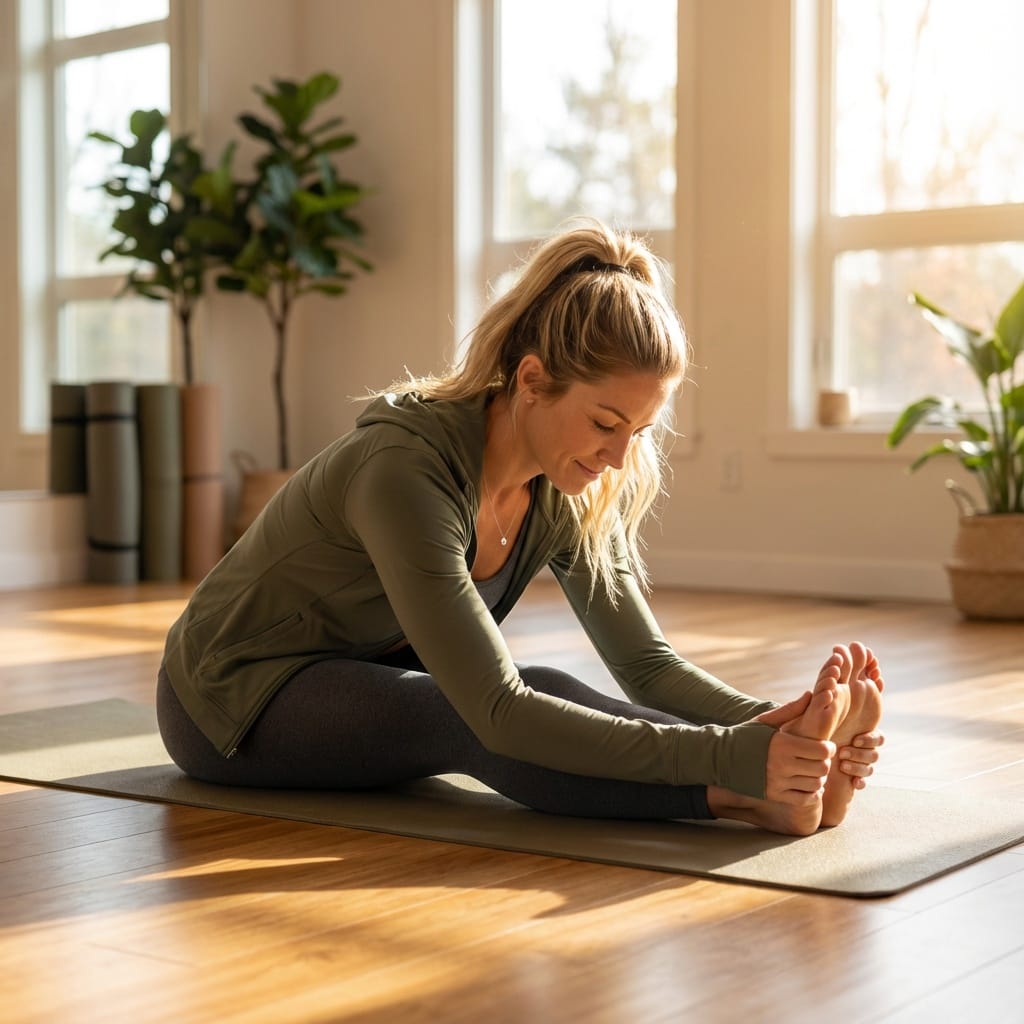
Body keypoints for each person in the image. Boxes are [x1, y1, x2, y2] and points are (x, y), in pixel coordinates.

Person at [157, 219, 884, 836]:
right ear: (532, 381)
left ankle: (761, 787)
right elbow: (499, 713)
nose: (620, 455)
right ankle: (739, 797)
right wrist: (731, 757)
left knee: (534, 681)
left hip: (357, 683)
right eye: (606, 423)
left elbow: (646, 665)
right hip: (230, 702)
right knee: (471, 712)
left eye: (641, 430)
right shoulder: (404, 472)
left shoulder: (562, 486)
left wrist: (774, 724)